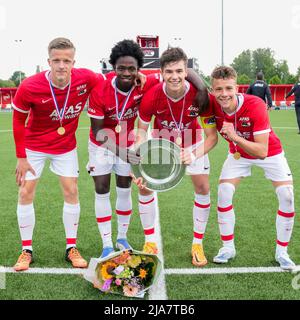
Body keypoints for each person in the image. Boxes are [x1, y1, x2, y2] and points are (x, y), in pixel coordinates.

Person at [12, 37, 103, 271]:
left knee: (71, 190)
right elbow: (18, 120)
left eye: (67, 60)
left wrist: (143, 77)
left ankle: (71, 247)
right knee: (26, 192)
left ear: (74, 62)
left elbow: (108, 80)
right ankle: (26, 250)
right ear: (48, 62)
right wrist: (21, 157)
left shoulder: (86, 78)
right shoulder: (30, 86)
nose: (62, 65)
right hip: (34, 146)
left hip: (65, 146)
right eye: (57, 60)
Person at [133, 47, 217, 266]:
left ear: (186, 70)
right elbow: (141, 131)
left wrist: (194, 153)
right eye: (169, 71)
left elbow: (211, 137)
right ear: (161, 72)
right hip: (161, 146)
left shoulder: (200, 96)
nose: (175, 76)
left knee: (203, 188)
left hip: (193, 144)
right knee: (144, 186)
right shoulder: (152, 95)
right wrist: (138, 159)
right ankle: (150, 241)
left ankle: (197, 243)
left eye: (179, 71)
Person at [209, 65, 296, 270]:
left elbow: (262, 151)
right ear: (212, 91)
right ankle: (227, 248)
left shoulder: (254, 104)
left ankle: (282, 252)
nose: (224, 94)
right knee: (224, 190)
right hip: (239, 156)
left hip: (269, 152)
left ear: (237, 88)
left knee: (287, 195)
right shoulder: (211, 103)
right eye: (218, 89)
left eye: (228, 88)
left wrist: (234, 137)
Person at [87, 39, 161, 259]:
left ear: (139, 69)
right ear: (113, 67)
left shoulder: (146, 82)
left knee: (124, 187)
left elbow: (182, 73)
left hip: (128, 141)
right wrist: (123, 152)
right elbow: (100, 133)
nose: (126, 73)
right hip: (102, 143)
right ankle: (106, 243)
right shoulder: (100, 89)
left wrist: (203, 91)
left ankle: (122, 236)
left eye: (131, 68)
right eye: (121, 68)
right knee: (101, 188)